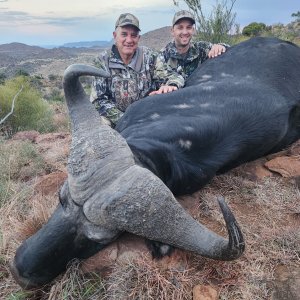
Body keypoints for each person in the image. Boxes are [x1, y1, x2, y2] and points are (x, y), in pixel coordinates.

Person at [90, 13, 157, 126]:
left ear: (138, 38)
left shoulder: (149, 56)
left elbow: (167, 75)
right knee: (100, 125)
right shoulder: (102, 61)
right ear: (115, 35)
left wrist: (171, 83)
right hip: (116, 120)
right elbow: (99, 100)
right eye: (124, 34)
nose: (129, 40)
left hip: (147, 116)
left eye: (134, 35)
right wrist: (125, 120)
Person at [150, 10, 229, 95]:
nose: (185, 32)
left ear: (193, 30)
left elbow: (229, 49)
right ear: (172, 31)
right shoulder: (162, 56)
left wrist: (220, 46)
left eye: (188, 27)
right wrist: (171, 85)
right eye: (180, 27)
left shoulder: (201, 49)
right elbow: (162, 79)